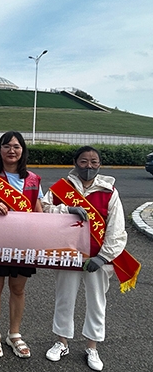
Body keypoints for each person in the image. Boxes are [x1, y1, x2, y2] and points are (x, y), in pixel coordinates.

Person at [42, 146, 139, 371]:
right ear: (75, 162)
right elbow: (43, 210)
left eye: (94, 162)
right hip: (68, 254)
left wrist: (103, 257)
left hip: (97, 258)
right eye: (84, 161)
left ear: (100, 164)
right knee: (64, 298)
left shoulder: (109, 191)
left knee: (96, 302)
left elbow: (116, 229)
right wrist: (66, 209)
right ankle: (61, 342)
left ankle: (92, 346)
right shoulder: (61, 188)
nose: (89, 166)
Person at [0, 131, 43, 358]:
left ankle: (14, 334)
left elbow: (39, 211)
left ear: (23, 150)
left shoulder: (33, 179)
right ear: (0, 150)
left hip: (24, 242)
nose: (11, 151)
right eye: (6, 146)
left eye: (16, 146)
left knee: (18, 289)